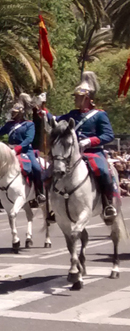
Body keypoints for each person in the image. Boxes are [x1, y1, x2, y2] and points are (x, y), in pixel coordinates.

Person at [53, 71, 117, 224]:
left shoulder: (100, 115)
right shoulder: (72, 114)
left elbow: (108, 135)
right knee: (51, 172)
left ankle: (108, 204)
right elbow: (55, 120)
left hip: (93, 152)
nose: (75, 100)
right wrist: (41, 112)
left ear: (86, 98)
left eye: (78, 97)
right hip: (72, 154)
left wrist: (89, 141)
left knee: (103, 172)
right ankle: (52, 206)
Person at [0, 93, 46, 204]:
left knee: (36, 168)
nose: (13, 114)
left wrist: (17, 149)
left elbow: (28, 140)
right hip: (10, 150)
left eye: (15, 112)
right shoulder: (9, 124)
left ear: (21, 113)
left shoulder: (29, 124)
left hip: (25, 151)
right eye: (12, 112)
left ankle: (39, 193)